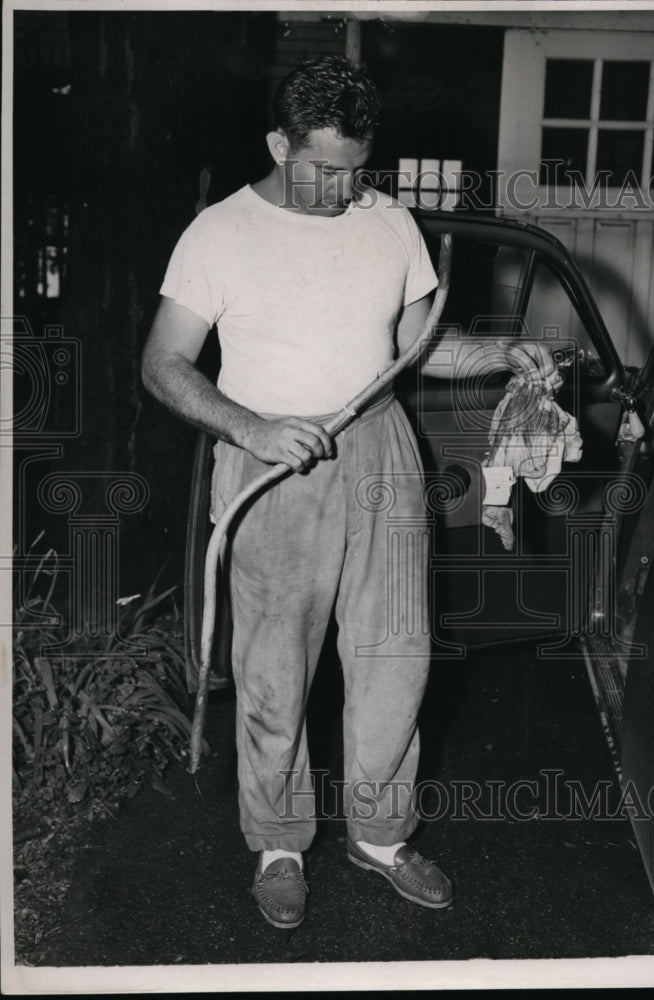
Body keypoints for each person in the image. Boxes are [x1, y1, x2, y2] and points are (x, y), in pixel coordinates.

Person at [141, 55, 453, 929]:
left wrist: (502, 355)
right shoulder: (218, 233)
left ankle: (381, 836)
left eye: (357, 168)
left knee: (397, 653)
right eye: (324, 167)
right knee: (274, 668)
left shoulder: (388, 221)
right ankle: (279, 843)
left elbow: (414, 343)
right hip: (273, 461)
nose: (342, 186)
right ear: (279, 143)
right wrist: (249, 427)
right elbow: (162, 363)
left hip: (381, 451)